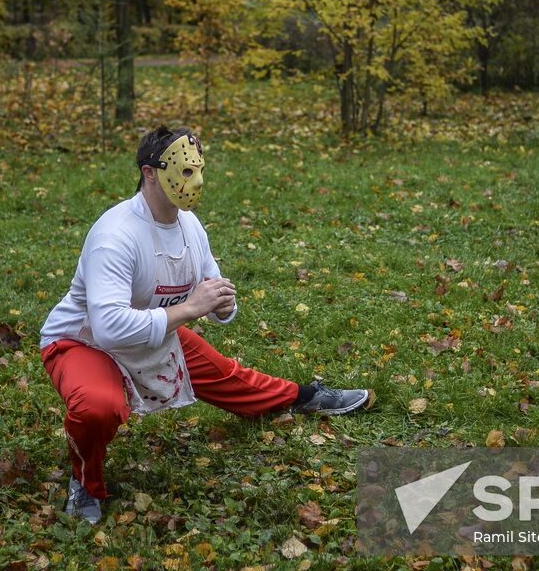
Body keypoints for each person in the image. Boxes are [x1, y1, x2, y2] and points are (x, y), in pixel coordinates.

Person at [40, 125, 374, 523]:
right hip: (84, 342)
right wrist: (191, 309)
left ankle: (304, 396)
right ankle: (84, 484)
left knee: (230, 378)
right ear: (150, 173)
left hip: (153, 335)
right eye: (184, 171)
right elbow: (110, 328)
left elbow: (214, 295)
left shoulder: (190, 225)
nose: (195, 181)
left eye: (199, 170)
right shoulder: (115, 235)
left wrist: (221, 305)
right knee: (98, 407)